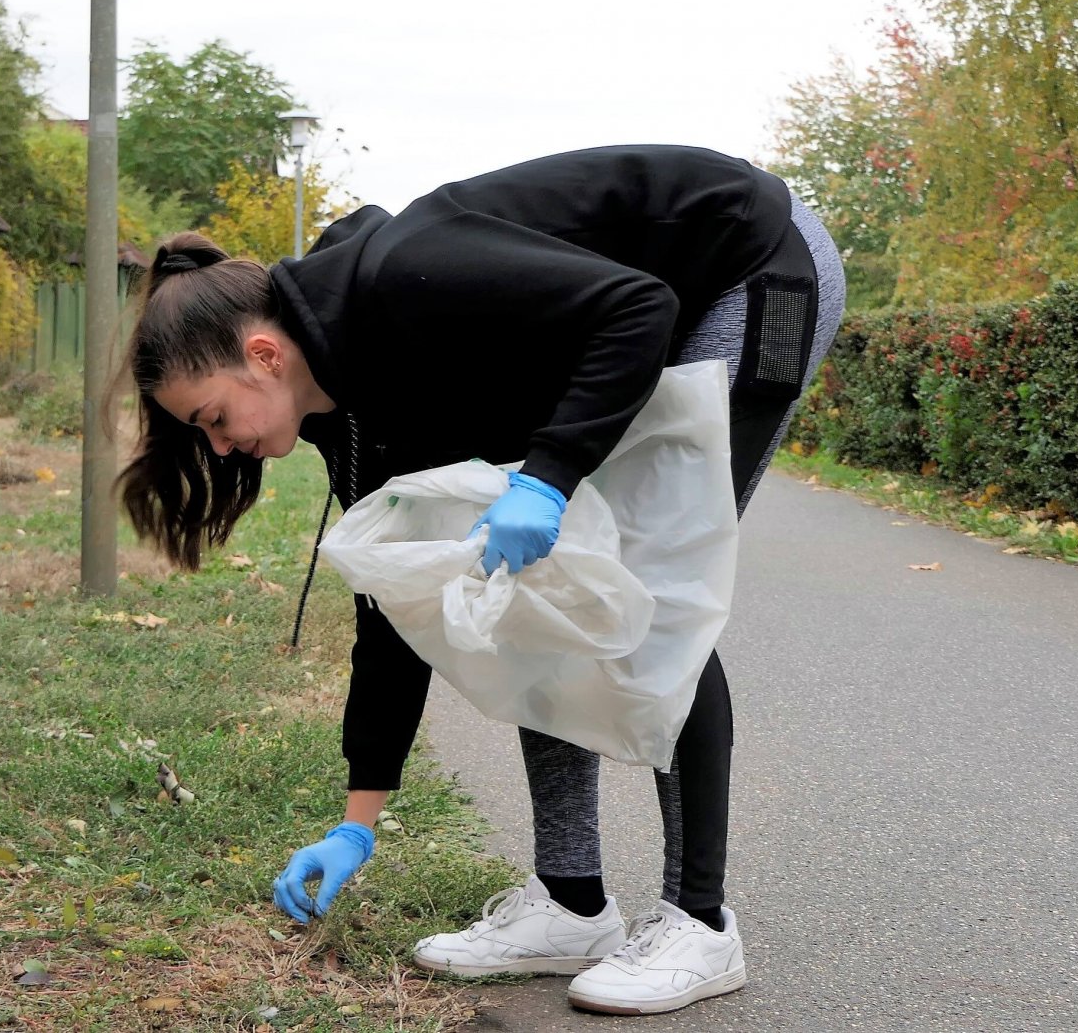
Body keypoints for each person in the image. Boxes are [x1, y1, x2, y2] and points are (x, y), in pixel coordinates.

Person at [117, 145, 846, 1016]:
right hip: (638, 320)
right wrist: (360, 819)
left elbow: (637, 307)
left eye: (214, 420)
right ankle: (571, 904)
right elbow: (394, 608)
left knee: (655, 594)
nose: (220, 447)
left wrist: (547, 476)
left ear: (264, 354)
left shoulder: (402, 278)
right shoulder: (347, 414)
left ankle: (700, 920)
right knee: (533, 593)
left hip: (746, 268)